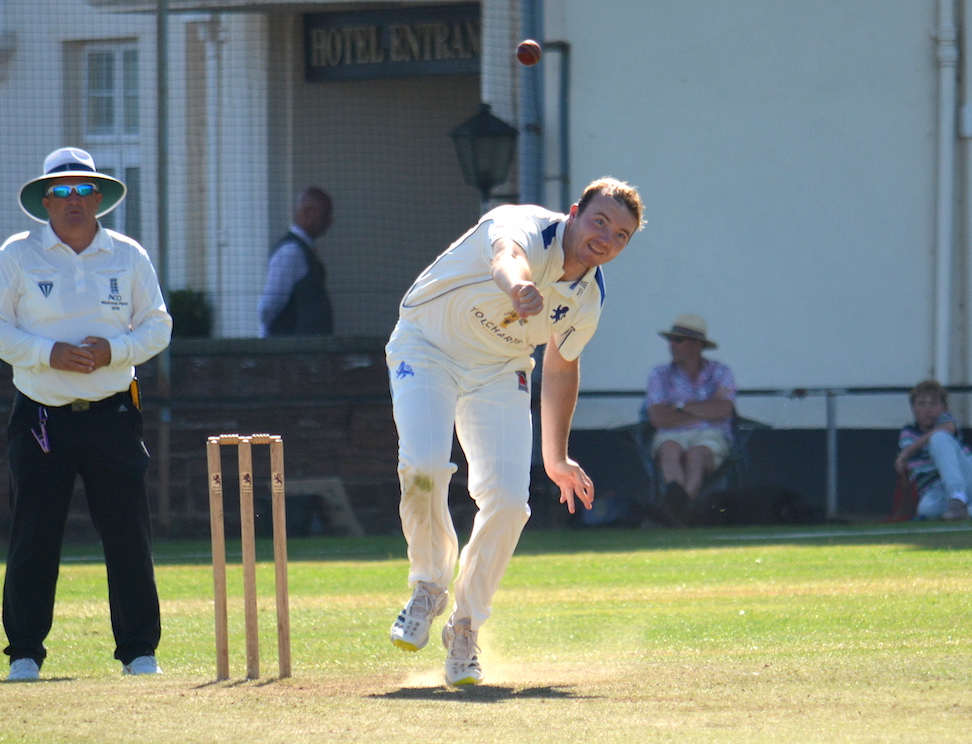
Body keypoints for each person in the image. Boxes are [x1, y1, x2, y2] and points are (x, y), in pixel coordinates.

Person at [386, 178, 644, 685]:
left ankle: (465, 627)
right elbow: (507, 257)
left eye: (621, 235)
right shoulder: (520, 223)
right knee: (423, 466)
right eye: (599, 222)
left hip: (500, 368)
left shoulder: (588, 299)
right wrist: (518, 287)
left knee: (509, 501)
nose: (606, 238)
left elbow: (562, 367)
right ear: (574, 212)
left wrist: (556, 457)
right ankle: (429, 587)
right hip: (427, 345)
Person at [1, 147, 172, 681]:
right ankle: (24, 652)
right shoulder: (17, 254)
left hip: (112, 413)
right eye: (62, 191)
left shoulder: (128, 254)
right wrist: (46, 352)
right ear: (45, 200)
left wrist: (113, 351)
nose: (73, 199)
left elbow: (158, 325)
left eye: (83, 190)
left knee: (127, 533)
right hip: (41, 417)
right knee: (34, 534)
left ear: (98, 198)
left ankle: (139, 651)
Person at [644, 314, 736, 524]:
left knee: (697, 455)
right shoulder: (659, 374)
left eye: (678, 340)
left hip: (711, 435)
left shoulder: (721, 372)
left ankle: (675, 509)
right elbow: (658, 417)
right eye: (670, 340)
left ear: (697, 344)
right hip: (671, 434)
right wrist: (703, 410)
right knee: (669, 449)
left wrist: (679, 407)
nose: (671, 345)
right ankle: (681, 511)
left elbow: (723, 409)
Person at [895, 380, 972, 521]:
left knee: (939, 437)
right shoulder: (908, 433)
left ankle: (958, 498)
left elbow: (947, 428)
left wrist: (907, 452)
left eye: (934, 403)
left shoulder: (945, 422)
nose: (928, 410)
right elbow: (908, 474)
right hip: (938, 490)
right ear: (913, 408)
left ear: (944, 407)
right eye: (921, 404)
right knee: (927, 509)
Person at [258, 187, 334, 336]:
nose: (330, 221)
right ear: (306, 212)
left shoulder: (305, 250)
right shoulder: (290, 252)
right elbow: (269, 305)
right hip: (292, 345)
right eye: (325, 215)